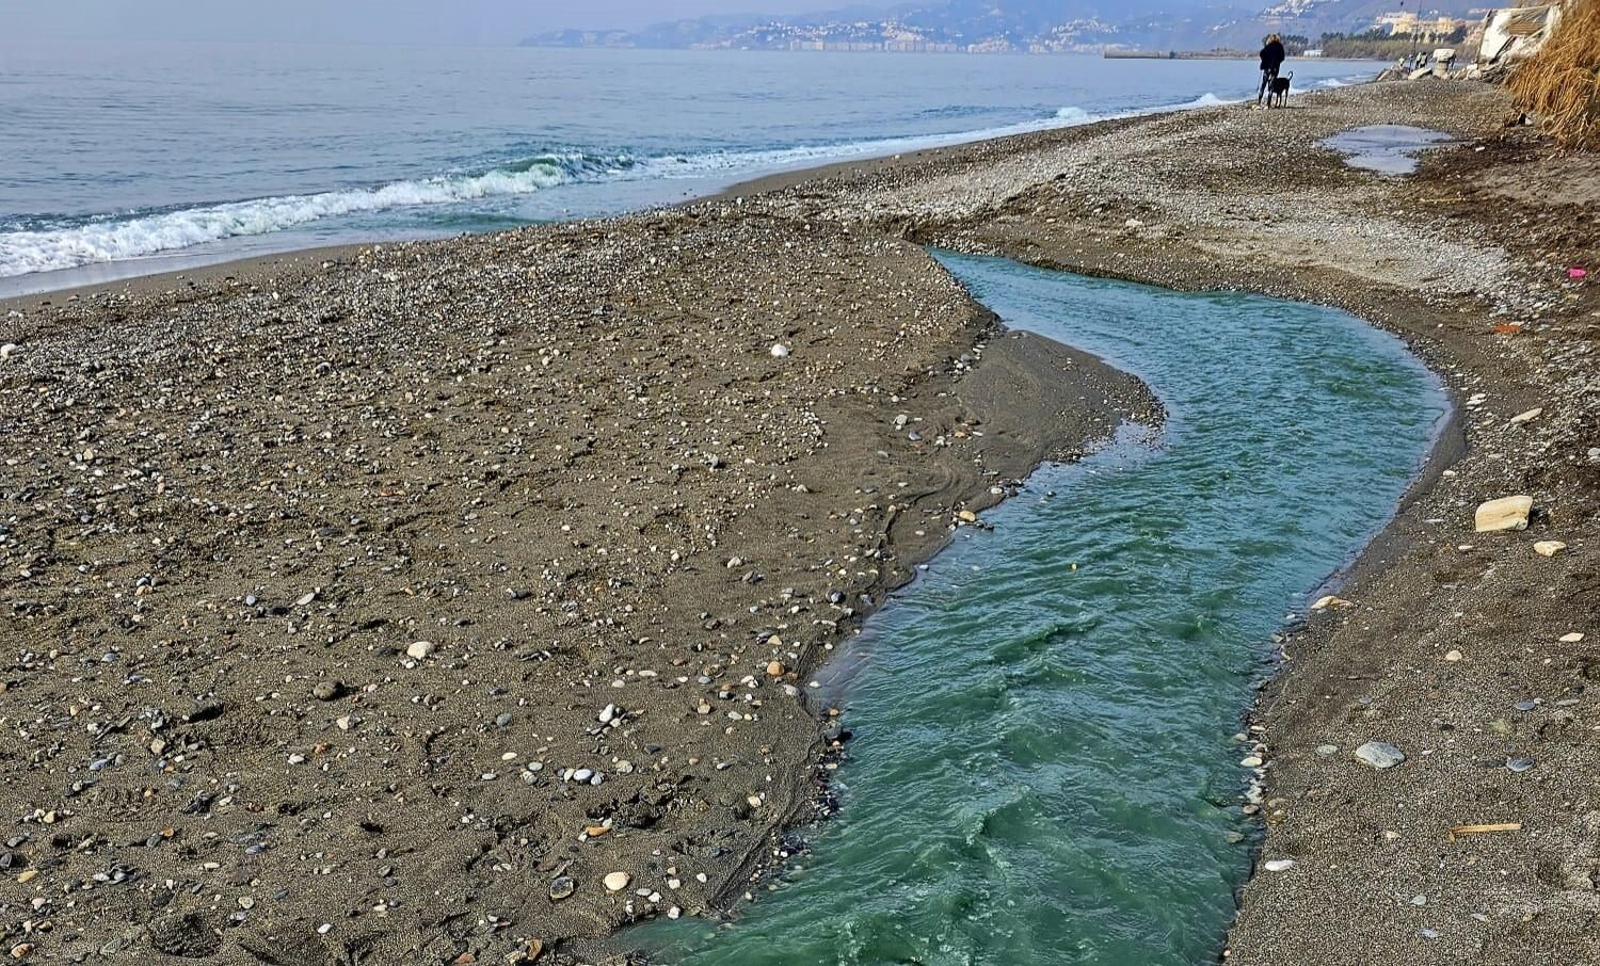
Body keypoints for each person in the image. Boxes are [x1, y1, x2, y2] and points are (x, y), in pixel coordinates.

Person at [1258, 34, 1287, 106]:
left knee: (1263, 84)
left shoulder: (1268, 46)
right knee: (1272, 86)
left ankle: (1259, 101)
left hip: (1267, 68)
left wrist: (1265, 60)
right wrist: (1278, 62)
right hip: (1275, 68)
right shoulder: (1280, 46)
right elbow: (1282, 57)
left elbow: (1261, 53)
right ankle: (1268, 104)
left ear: (1270, 39)